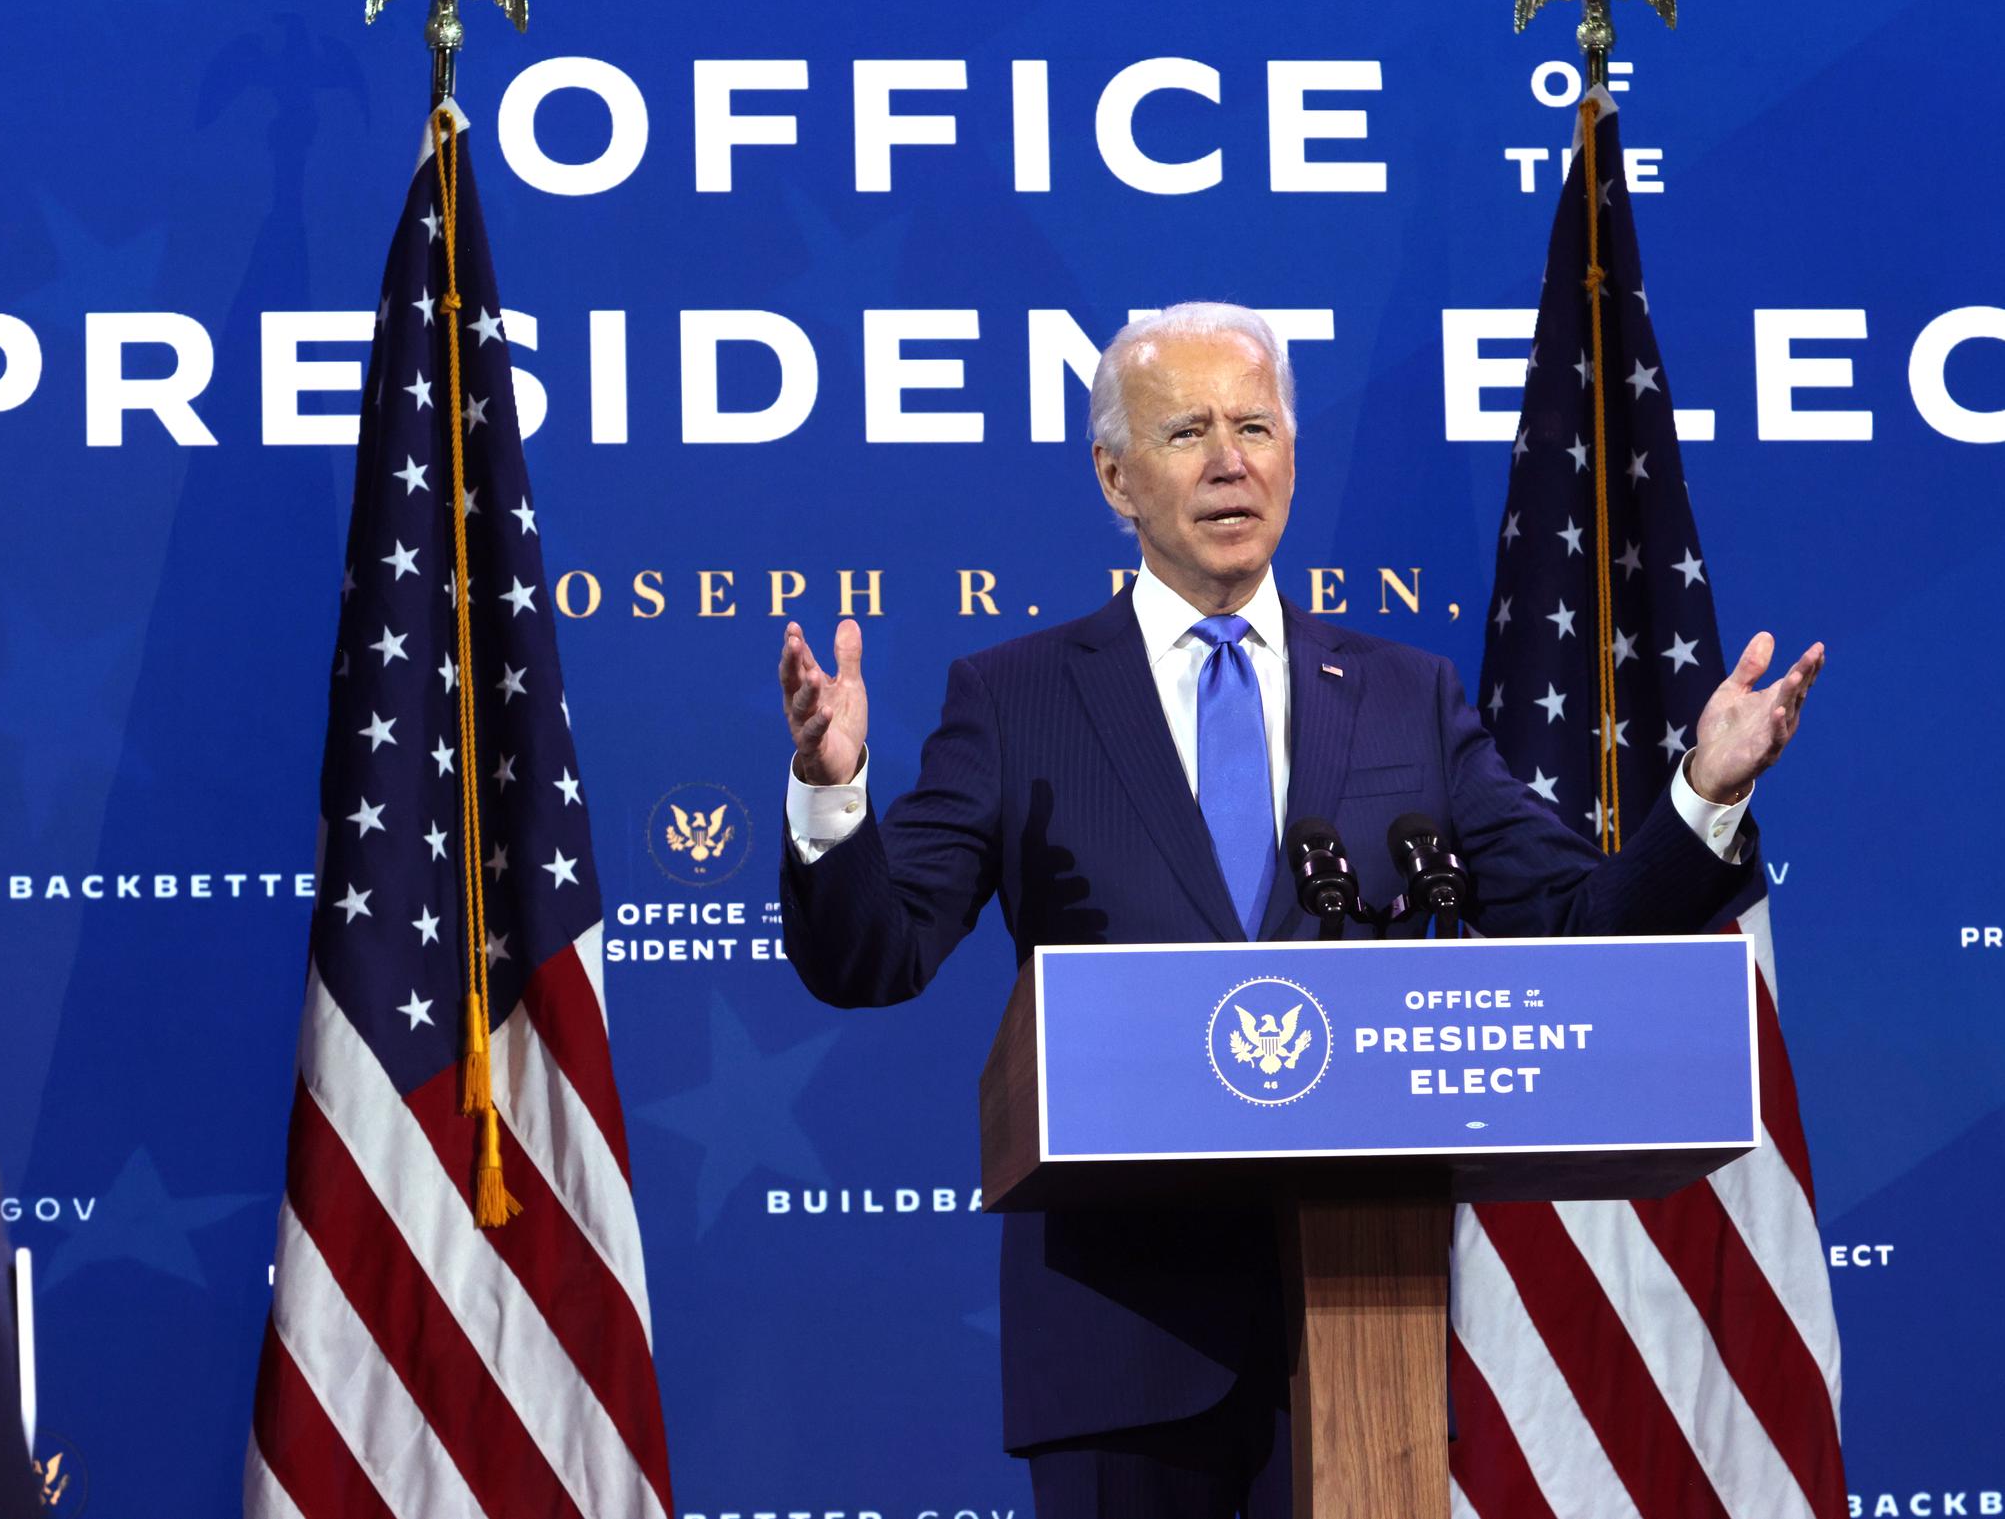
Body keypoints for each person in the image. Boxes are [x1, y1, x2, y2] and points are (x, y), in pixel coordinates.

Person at [775, 302, 1823, 1519]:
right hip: (1120, 1342)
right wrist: (830, 789)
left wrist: (1703, 792)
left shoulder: (1402, 696)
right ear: (1115, 475)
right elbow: (875, 954)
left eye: (1256, 426)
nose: (1230, 459)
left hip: (1363, 1321)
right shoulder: (1016, 699)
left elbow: (1575, 918)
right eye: (1186, 431)